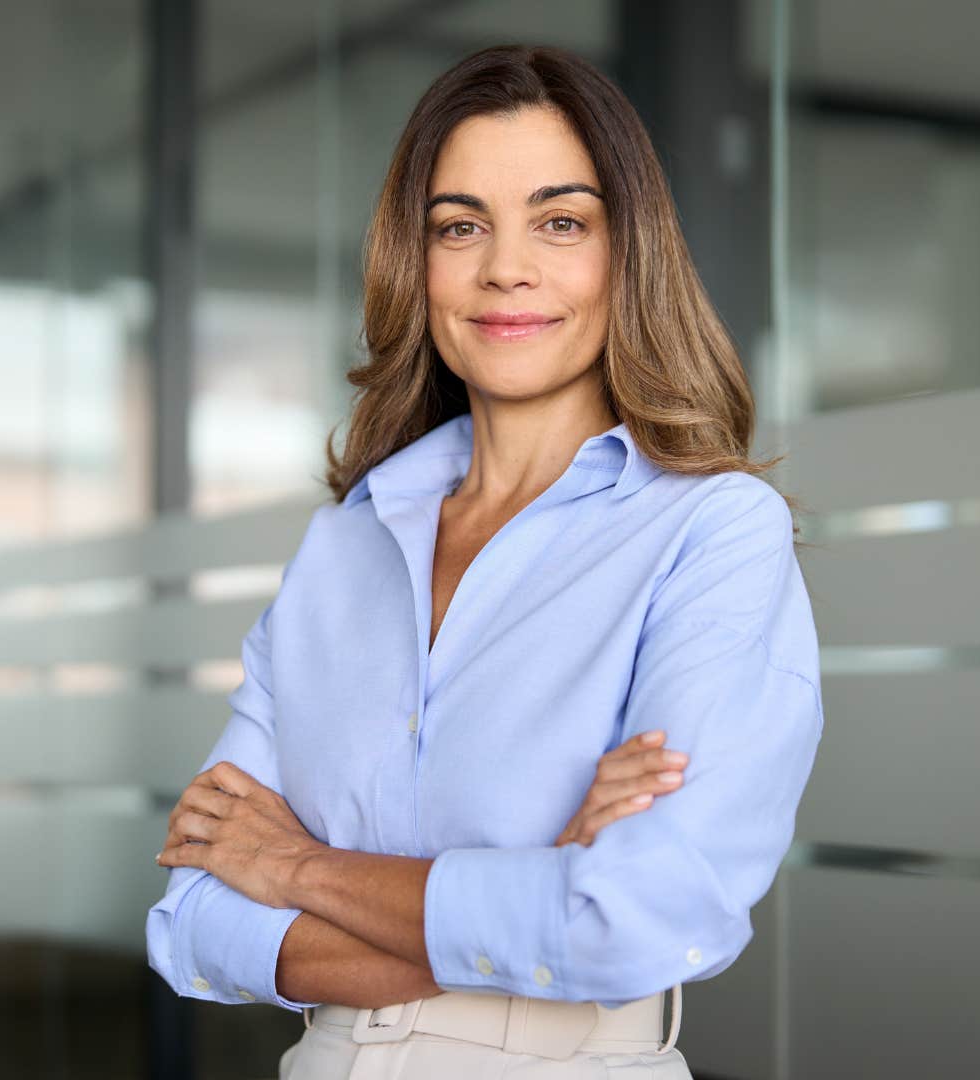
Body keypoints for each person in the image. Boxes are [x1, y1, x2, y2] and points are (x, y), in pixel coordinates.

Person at [145, 42, 823, 1078]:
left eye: (560, 222)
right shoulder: (343, 546)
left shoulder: (712, 533)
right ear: (414, 264)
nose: (507, 268)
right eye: (461, 226)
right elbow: (192, 919)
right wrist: (531, 892)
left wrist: (297, 867)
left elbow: (636, 919)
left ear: (626, 252)